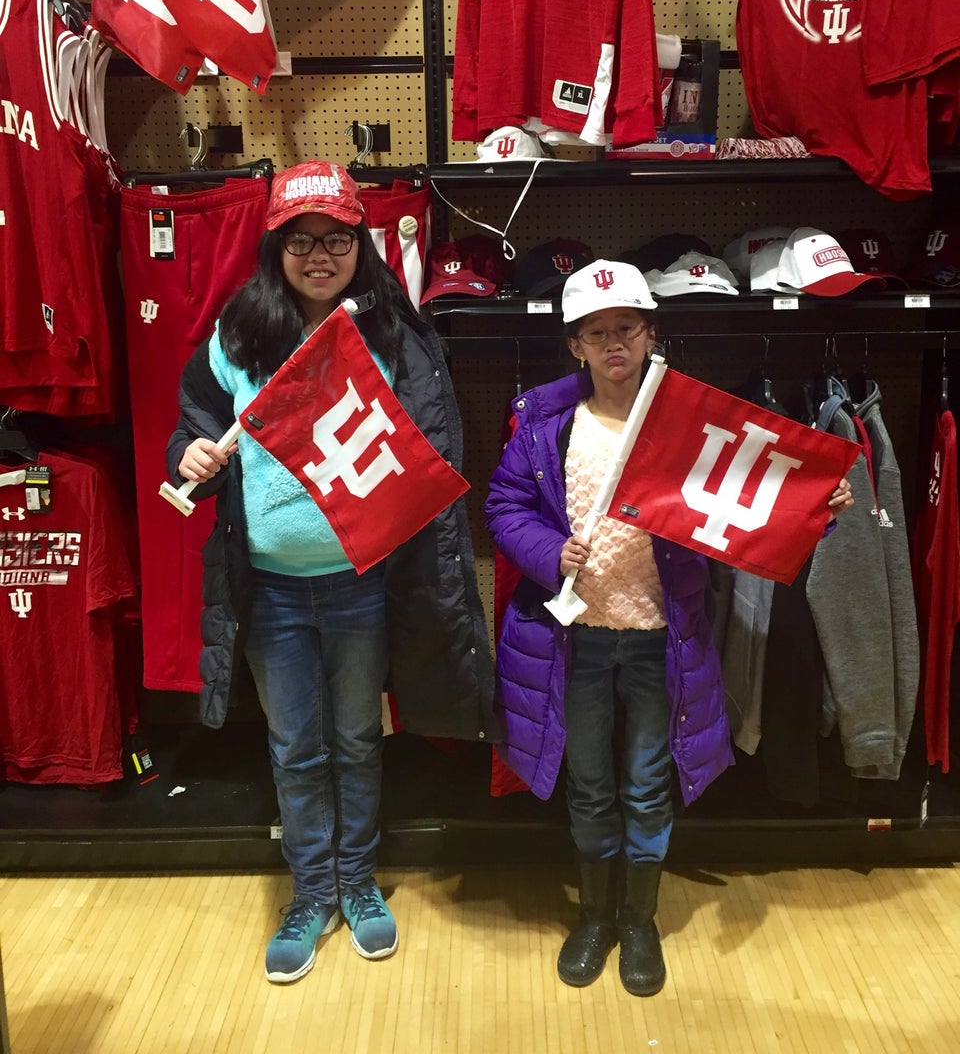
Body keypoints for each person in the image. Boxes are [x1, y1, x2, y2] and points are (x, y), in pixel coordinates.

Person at [484, 259, 854, 997]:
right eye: (596, 332)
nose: (613, 343)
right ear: (575, 345)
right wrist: (548, 552)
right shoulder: (544, 422)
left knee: (648, 783)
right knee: (589, 782)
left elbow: (754, 498)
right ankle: (595, 914)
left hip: (660, 636)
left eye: (627, 327)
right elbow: (505, 506)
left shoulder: (693, 423)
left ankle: (638, 919)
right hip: (573, 639)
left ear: (651, 333)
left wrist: (817, 503)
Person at [167, 160, 495, 984]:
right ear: (275, 246)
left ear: (361, 245)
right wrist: (192, 454)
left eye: (337, 240)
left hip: (361, 581)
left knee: (355, 740)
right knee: (295, 747)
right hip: (269, 586)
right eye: (302, 240)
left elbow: (427, 447)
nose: (320, 256)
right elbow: (192, 423)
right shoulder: (239, 333)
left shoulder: (391, 335)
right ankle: (311, 891)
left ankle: (358, 880)